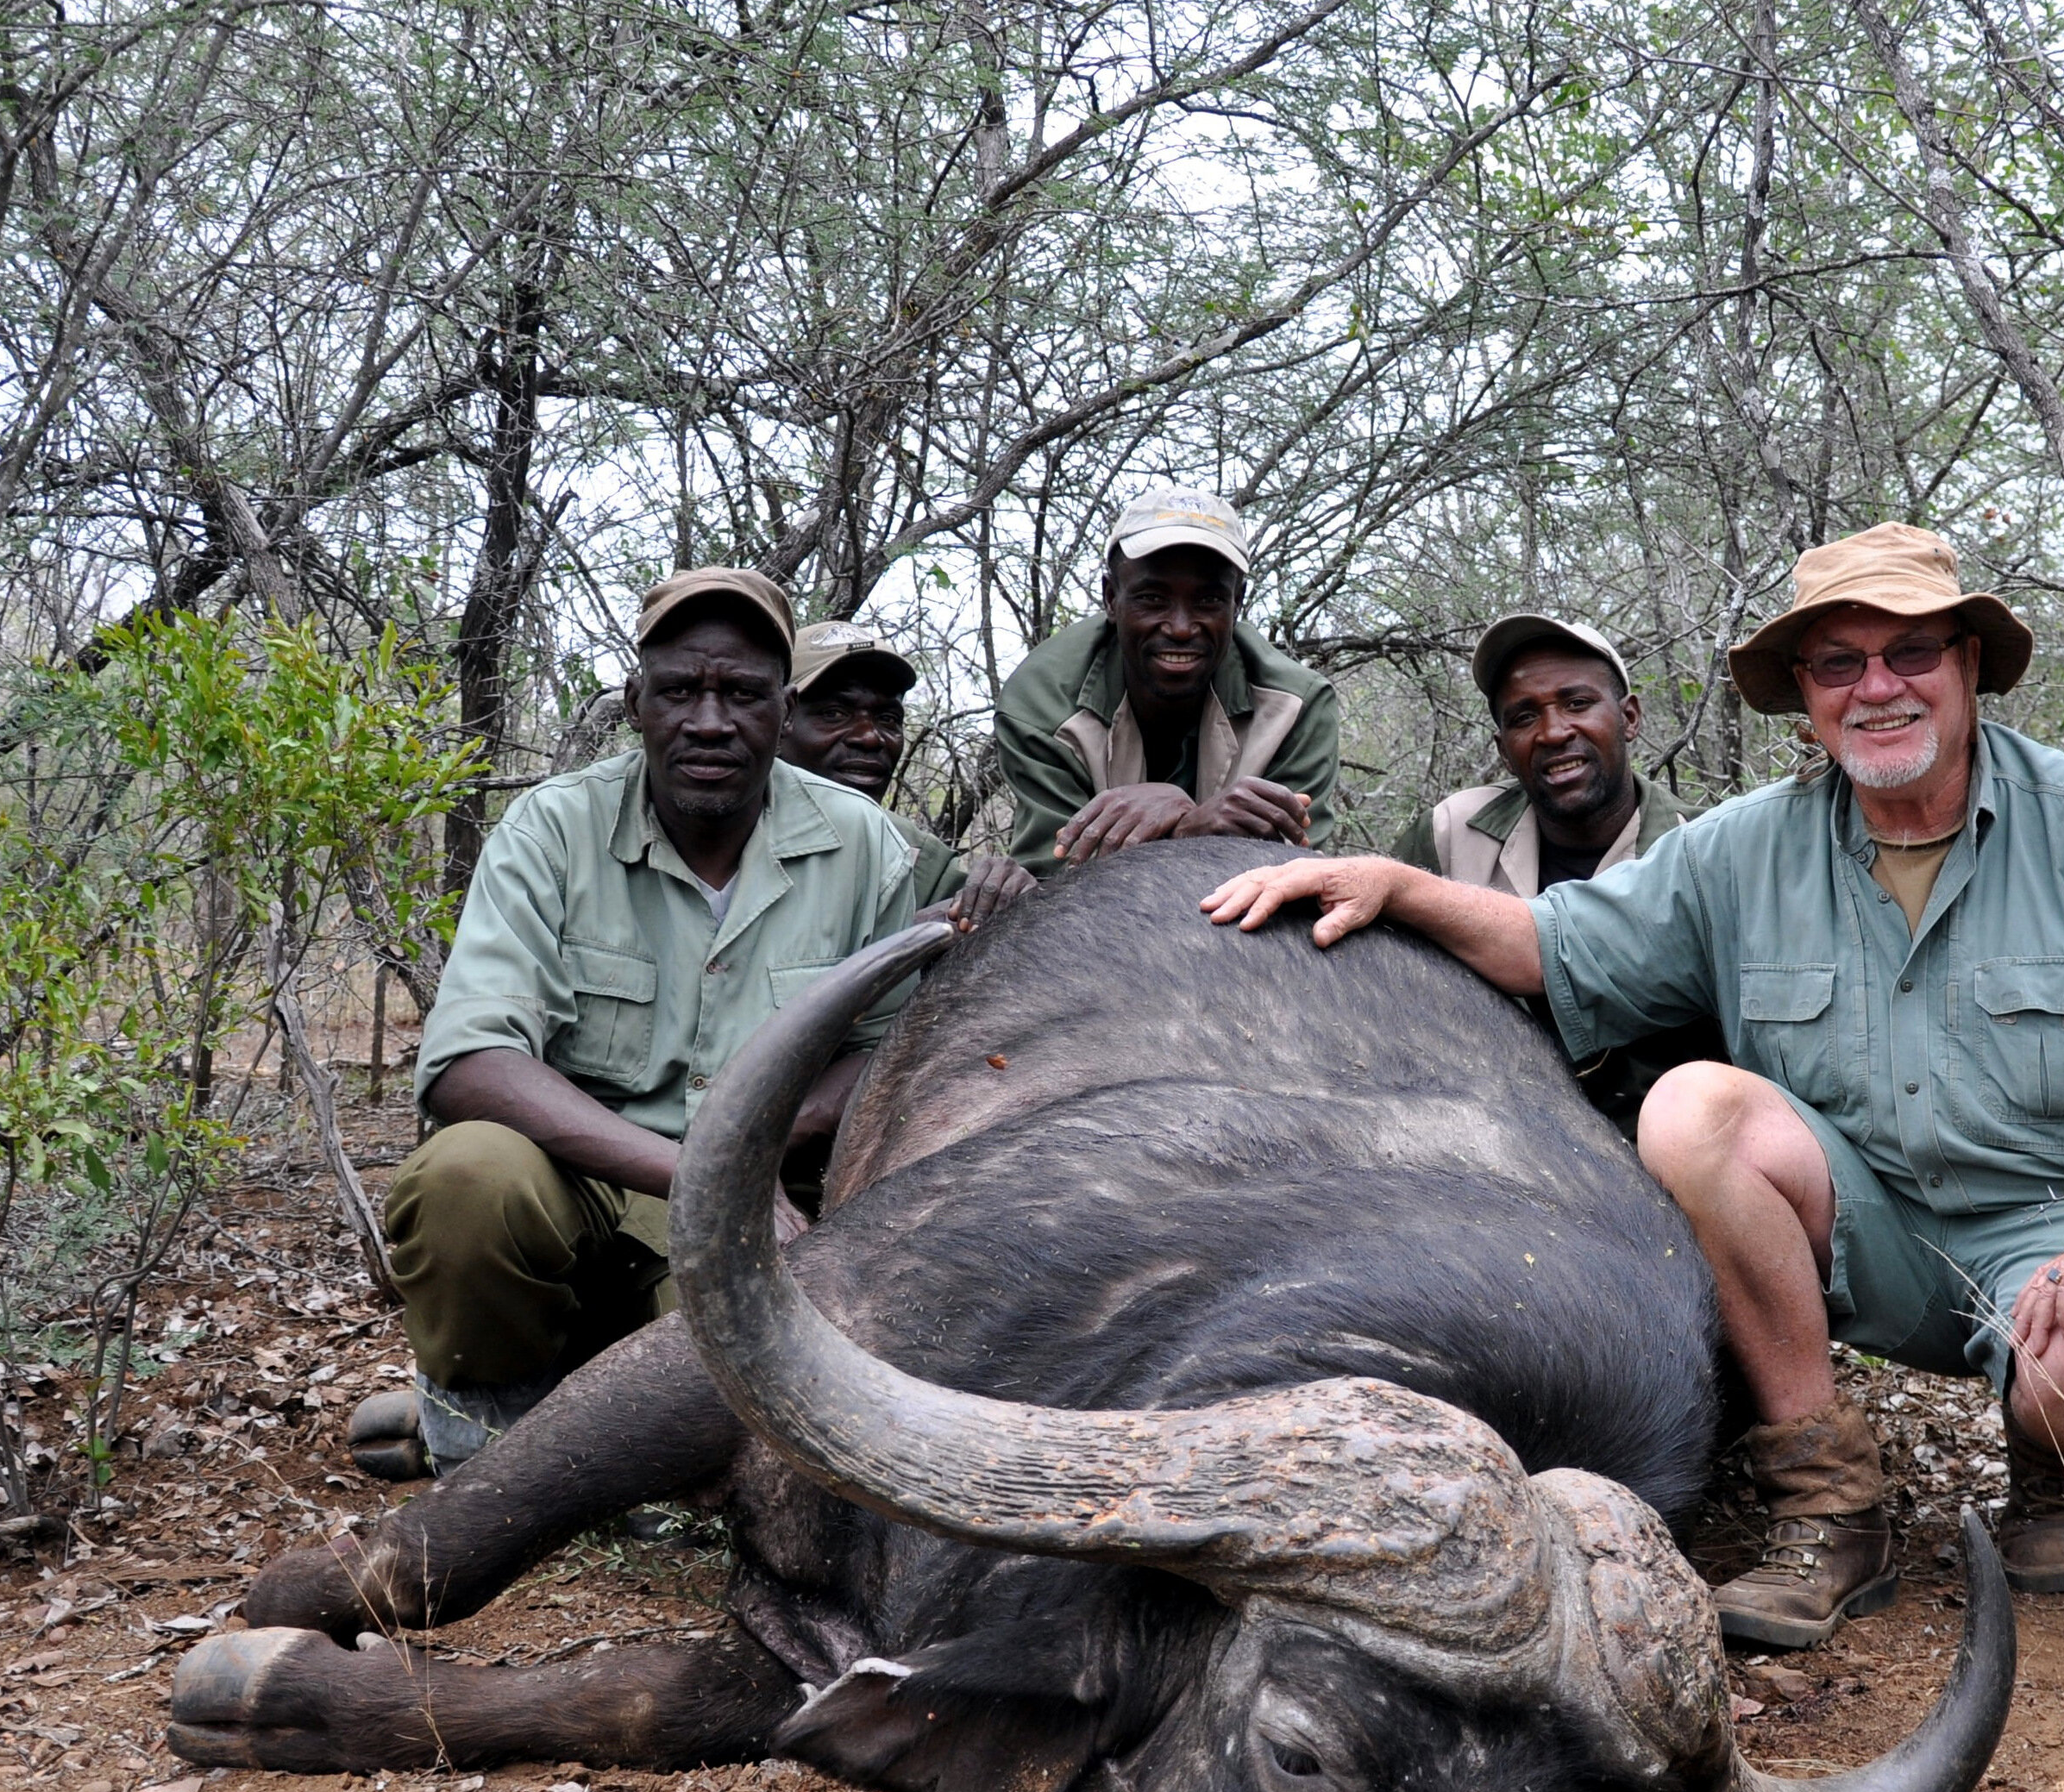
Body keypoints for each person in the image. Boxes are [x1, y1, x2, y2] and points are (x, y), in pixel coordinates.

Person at [1200, 523, 2064, 1650]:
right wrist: (1395, 884)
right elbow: (1554, 945)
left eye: (1911, 654)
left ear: (1969, 663)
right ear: (1804, 691)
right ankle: (1830, 1506)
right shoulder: (1741, 851)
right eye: (1840, 663)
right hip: (1862, 1229)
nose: (1877, 688)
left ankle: (2051, 1470)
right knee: (1693, 1107)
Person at [346, 568, 935, 1482]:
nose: (709, 721)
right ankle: (489, 1439)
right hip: (585, 1178)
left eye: (740, 694)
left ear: (782, 710)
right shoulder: (554, 827)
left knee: (744, 1389)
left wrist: (757, 1161)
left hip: (765, 1191)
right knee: (466, 1178)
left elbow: (886, 1055)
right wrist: (697, 1168)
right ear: (634, 702)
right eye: (679, 692)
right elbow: (470, 1060)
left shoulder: (862, 844)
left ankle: (580, 1431)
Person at [1399, 613, 1714, 1129]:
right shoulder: (1451, 835)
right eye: (1524, 717)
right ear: (1503, 749)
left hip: (1661, 1149)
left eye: (1578, 703)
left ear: (1629, 717)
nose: (1553, 732)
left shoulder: (1700, 850)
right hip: (1482, 1130)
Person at [992, 486, 1342, 873]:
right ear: (1111, 598)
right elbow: (1049, 885)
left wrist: (1185, 829)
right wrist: (1184, 832)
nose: (1180, 628)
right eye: (1152, 598)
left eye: (1208, 601)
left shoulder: (1294, 706)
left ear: (1237, 602)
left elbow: (1298, 875)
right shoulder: (1042, 703)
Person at [783, 618, 1033, 925]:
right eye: (834, 714)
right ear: (779, 722)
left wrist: (1013, 899)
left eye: (888, 718)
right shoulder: (725, 840)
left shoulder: (917, 860)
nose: (870, 737)